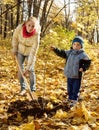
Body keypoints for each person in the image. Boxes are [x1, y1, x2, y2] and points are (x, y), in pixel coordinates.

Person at [51, 36, 91, 108]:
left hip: (77, 75)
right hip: (69, 74)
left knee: (75, 88)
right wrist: (55, 49)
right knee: (69, 88)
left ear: (81, 46)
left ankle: (74, 100)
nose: (76, 46)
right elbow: (61, 53)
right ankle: (70, 98)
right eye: (74, 44)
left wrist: (83, 68)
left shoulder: (83, 55)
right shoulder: (69, 52)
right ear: (72, 45)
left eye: (78, 45)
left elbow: (88, 62)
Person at [12, 16, 41, 95]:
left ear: (35, 27)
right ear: (25, 24)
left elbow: (33, 52)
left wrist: (28, 68)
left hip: (30, 52)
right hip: (20, 50)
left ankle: (32, 90)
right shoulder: (19, 29)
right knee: (20, 70)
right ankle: (23, 88)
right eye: (29, 25)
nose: (30, 28)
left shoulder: (36, 35)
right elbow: (15, 38)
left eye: (33, 26)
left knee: (31, 70)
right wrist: (14, 48)